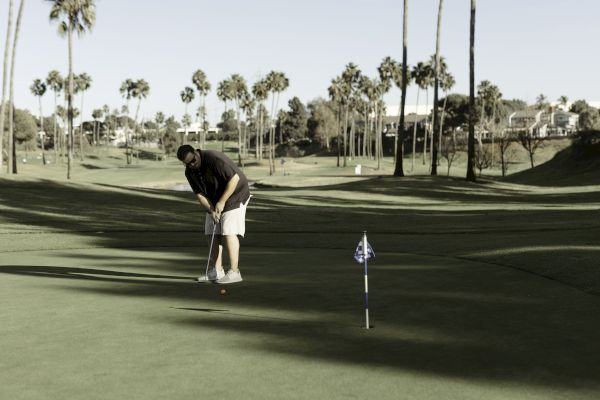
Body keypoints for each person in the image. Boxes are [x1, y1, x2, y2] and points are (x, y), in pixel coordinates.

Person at [177, 144, 250, 284]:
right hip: (215, 198)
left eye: (193, 161)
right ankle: (216, 271)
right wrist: (211, 210)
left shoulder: (213, 158)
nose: (192, 164)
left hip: (236, 194)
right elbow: (199, 194)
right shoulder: (189, 172)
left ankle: (235, 272)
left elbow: (234, 179)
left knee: (228, 231)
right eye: (188, 163)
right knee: (211, 232)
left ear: (196, 153)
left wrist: (222, 202)